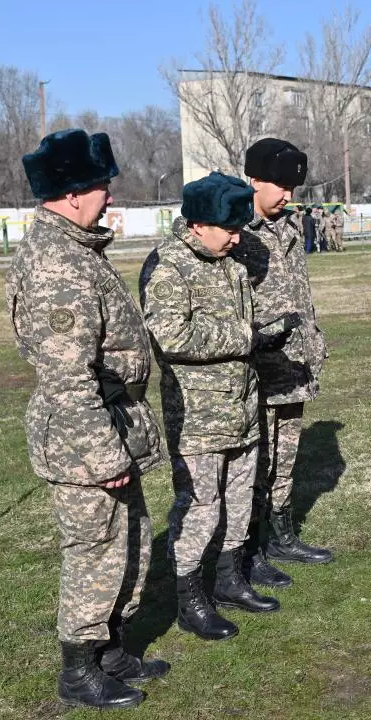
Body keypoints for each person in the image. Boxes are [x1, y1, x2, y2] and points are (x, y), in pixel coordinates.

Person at [5, 129, 168, 710]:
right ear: (72, 194)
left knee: (131, 543)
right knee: (95, 550)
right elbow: (68, 376)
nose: (108, 197)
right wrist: (103, 456)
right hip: (84, 438)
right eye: (102, 186)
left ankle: (111, 650)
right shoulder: (57, 265)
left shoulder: (77, 251)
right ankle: (79, 669)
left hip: (112, 423)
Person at [139, 171, 280, 642]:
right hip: (198, 415)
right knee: (200, 507)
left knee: (238, 501)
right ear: (199, 224)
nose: (237, 238)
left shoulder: (231, 263)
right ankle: (190, 598)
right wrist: (247, 338)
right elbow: (169, 335)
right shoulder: (169, 266)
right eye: (229, 229)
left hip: (241, 406)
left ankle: (229, 577)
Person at [231, 138, 333, 590]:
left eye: (293, 186)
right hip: (258, 362)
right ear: (253, 179)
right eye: (279, 184)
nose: (287, 194)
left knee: (286, 455)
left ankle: (280, 534)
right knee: (257, 460)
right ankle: (248, 547)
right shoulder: (234, 228)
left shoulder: (289, 227)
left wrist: (313, 338)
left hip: (294, 361)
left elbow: (299, 292)